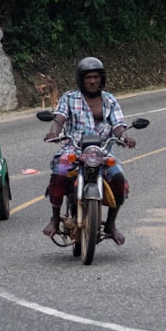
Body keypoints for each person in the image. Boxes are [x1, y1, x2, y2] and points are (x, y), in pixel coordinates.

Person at [42, 56, 136, 245]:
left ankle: (110, 224)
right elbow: (59, 119)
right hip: (73, 150)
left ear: (102, 78)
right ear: (81, 80)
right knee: (59, 173)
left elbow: (118, 125)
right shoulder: (69, 98)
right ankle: (54, 218)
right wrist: (53, 132)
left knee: (118, 179)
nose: (92, 81)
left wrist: (125, 137)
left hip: (101, 153)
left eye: (95, 77)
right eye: (88, 78)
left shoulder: (109, 100)